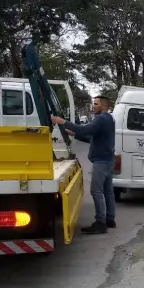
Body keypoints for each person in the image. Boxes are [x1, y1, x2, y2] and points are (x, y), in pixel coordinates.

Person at [52, 95, 116, 235]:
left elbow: (84, 130)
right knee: (107, 191)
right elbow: (91, 138)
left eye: (96, 104)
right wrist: (74, 134)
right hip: (108, 160)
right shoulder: (109, 119)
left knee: (96, 191)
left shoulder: (101, 119)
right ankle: (110, 219)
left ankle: (100, 223)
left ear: (104, 105)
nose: (94, 106)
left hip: (101, 161)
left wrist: (63, 122)